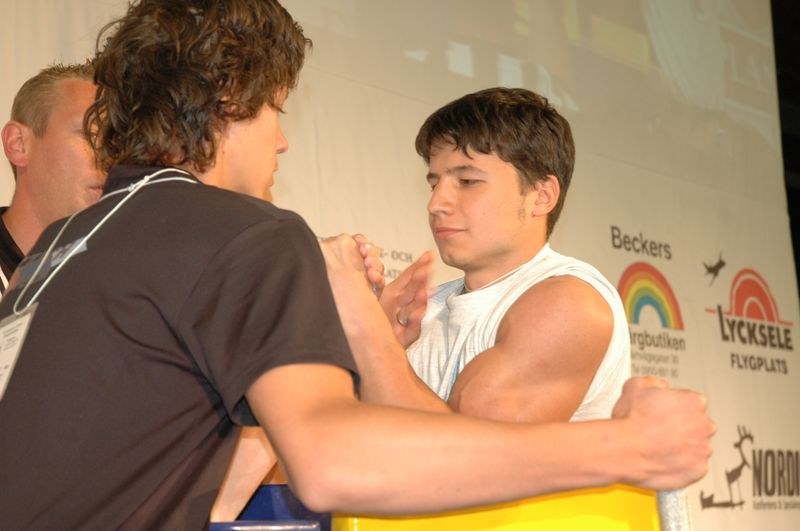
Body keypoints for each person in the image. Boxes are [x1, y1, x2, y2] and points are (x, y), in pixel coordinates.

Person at [0, 1, 713, 529]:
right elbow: (334, 462)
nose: (281, 143)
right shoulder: (243, 231)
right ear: (228, 101)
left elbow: (181, 481)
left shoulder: (65, 245)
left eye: (466, 179)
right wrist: (629, 444)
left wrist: (345, 339)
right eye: (277, 109)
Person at [360, 87, 630, 424]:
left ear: (541, 195)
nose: (436, 204)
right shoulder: (421, 313)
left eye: (468, 181)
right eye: (434, 184)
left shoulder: (572, 304)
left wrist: (373, 342)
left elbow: (467, 457)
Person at [0, 62, 104, 292]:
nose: (109, 158)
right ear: (18, 144)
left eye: (116, 143)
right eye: (91, 135)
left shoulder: (119, 275)